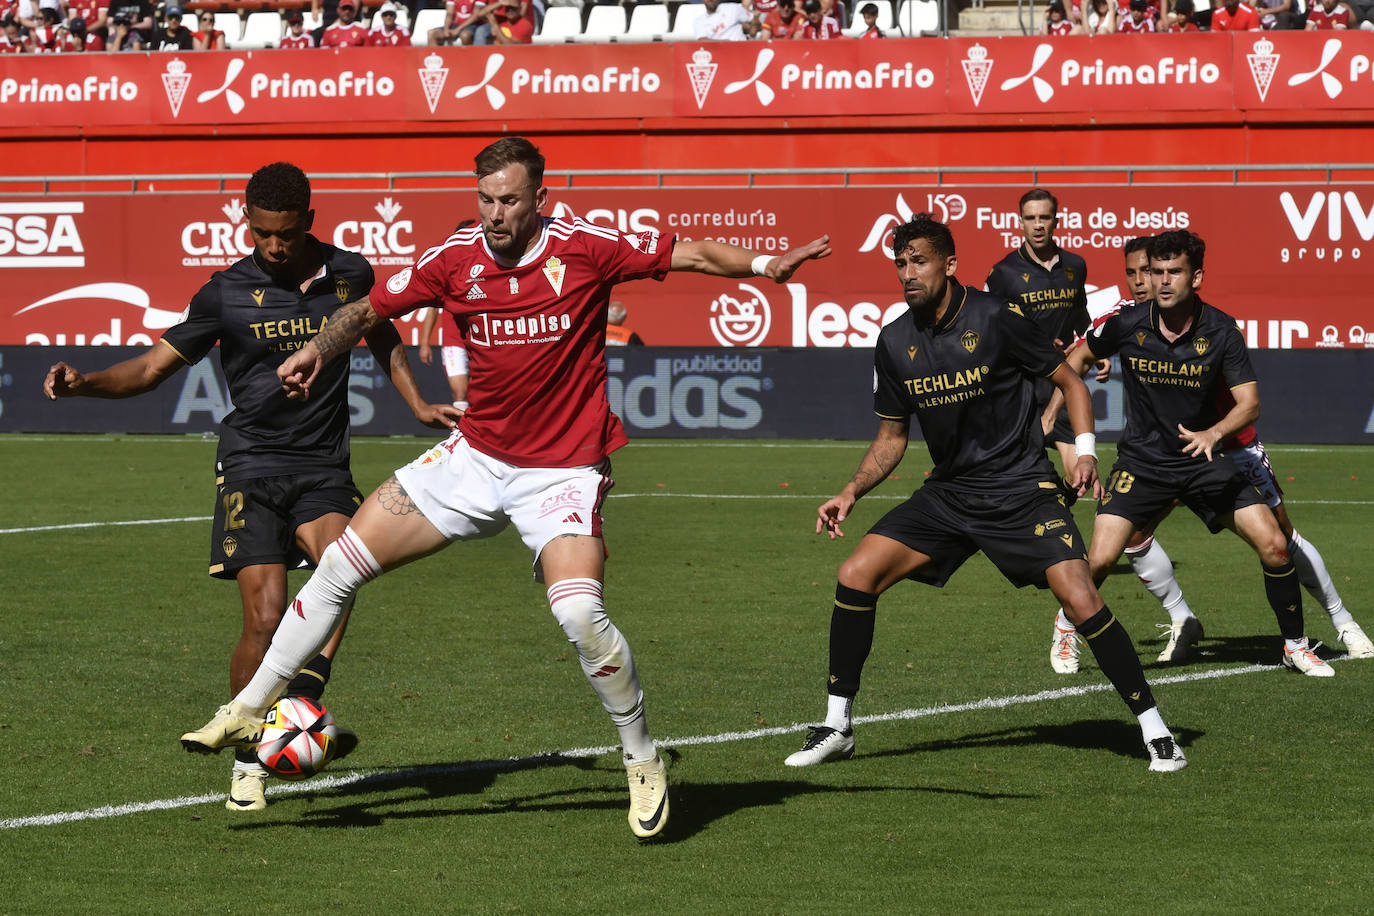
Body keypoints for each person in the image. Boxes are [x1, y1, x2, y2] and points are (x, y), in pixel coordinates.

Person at [178, 136, 833, 839]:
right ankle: (251, 705)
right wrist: (313, 349)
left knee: (580, 616)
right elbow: (368, 312)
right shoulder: (452, 257)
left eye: (510, 200)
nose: (495, 213)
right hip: (475, 458)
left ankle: (641, 759)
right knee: (340, 563)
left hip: (562, 470)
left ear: (539, 200)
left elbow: (694, 254)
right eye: (486, 199)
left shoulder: (587, 246)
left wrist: (766, 264)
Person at [45, 163, 459, 812]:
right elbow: (152, 369)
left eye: (287, 234)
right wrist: (84, 384)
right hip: (249, 465)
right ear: (247, 222)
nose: (274, 246)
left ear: (309, 223)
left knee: (341, 567)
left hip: (322, 466)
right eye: (263, 233)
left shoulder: (350, 274)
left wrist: (417, 402)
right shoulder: (224, 294)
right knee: (265, 620)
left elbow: (381, 333)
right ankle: (248, 761)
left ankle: (304, 698)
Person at [786, 213, 1187, 774]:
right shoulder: (894, 340)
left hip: (1021, 486)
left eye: (919, 261)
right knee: (856, 573)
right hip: (950, 494)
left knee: (1079, 593)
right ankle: (836, 725)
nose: (908, 273)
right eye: (900, 263)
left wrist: (1089, 450)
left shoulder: (997, 316)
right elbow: (891, 437)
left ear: (949, 265)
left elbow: (1070, 381)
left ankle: (1154, 727)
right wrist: (851, 490)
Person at [1050, 236, 1374, 672]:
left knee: (1278, 543)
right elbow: (1078, 362)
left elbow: (1250, 403)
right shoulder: (1127, 322)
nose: (1159, 282)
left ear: (1196, 277)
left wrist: (1214, 433)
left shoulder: (1221, 330)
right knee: (1106, 557)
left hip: (1214, 456)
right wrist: (1074, 434)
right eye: (1152, 273)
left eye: (1173, 273)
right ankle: (1081, 626)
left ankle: (1315, 636)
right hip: (1144, 464)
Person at [985, 189, 1102, 509]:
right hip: (1021, 387)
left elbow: (1082, 318)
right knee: (1018, 480)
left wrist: (1096, 349)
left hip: (1063, 386)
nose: (1038, 225)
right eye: (1031, 218)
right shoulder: (1003, 273)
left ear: (1056, 221)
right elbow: (992, 329)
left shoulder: (1075, 266)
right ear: (1020, 222)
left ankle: (1058, 515)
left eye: (1044, 218)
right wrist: (1030, 341)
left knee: (1077, 480)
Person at [417, 220, 478, 412]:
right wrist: (425, 342)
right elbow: (433, 308)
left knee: (481, 393)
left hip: (482, 340)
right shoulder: (447, 269)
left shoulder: (488, 266)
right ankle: (461, 435)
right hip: (454, 341)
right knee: (460, 393)